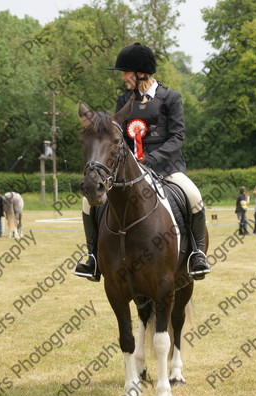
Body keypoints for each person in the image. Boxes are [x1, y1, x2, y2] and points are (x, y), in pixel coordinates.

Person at [75, 42, 210, 281]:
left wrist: (152, 158)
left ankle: (197, 254)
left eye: (126, 72)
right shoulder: (124, 100)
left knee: (193, 195)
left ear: (140, 73)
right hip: (130, 170)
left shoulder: (170, 98)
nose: (123, 77)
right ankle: (93, 257)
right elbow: (119, 137)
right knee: (87, 204)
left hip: (166, 168)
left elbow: (177, 136)